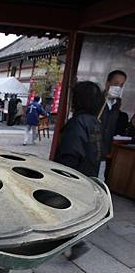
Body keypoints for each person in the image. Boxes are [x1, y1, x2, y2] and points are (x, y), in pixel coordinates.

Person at [55, 81, 104, 260]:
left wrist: (58, 177)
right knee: (71, 212)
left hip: (72, 176)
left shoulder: (78, 122)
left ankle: (74, 242)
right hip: (87, 175)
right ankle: (73, 242)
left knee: (60, 210)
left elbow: (70, 153)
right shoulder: (95, 122)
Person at [99, 69, 127, 179]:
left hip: (104, 152)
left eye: (121, 85)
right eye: (116, 84)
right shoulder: (96, 100)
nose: (118, 88)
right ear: (107, 84)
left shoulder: (117, 104)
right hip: (89, 150)